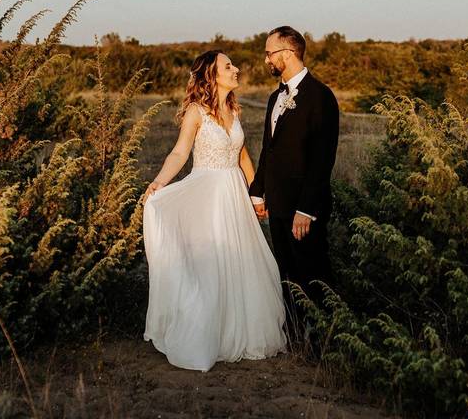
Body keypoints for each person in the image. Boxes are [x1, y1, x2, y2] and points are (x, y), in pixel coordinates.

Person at [141, 50, 287, 371]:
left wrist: (257, 195)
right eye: (228, 66)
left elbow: (244, 158)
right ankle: (203, 335)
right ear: (212, 75)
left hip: (234, 194)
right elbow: (180, 153)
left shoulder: (234, 110)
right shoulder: (196, 112)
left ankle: (238, 332)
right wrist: (158, 182)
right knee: (209, 267)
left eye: (233, 64)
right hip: (207, 193)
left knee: (242, 262)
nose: (235, 69)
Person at [248, 26, 340, 337]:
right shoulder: (276, 97)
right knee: (286, 274)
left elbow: (322, 158)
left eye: (269, 53)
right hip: (278, 204)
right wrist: (258, 192)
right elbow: (268, 150)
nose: (266, 60)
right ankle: (295, 337)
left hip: (304, 208)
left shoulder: (321, 97)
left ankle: (327, 339)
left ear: (287, 54)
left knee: (313, 274)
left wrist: (307, 209)